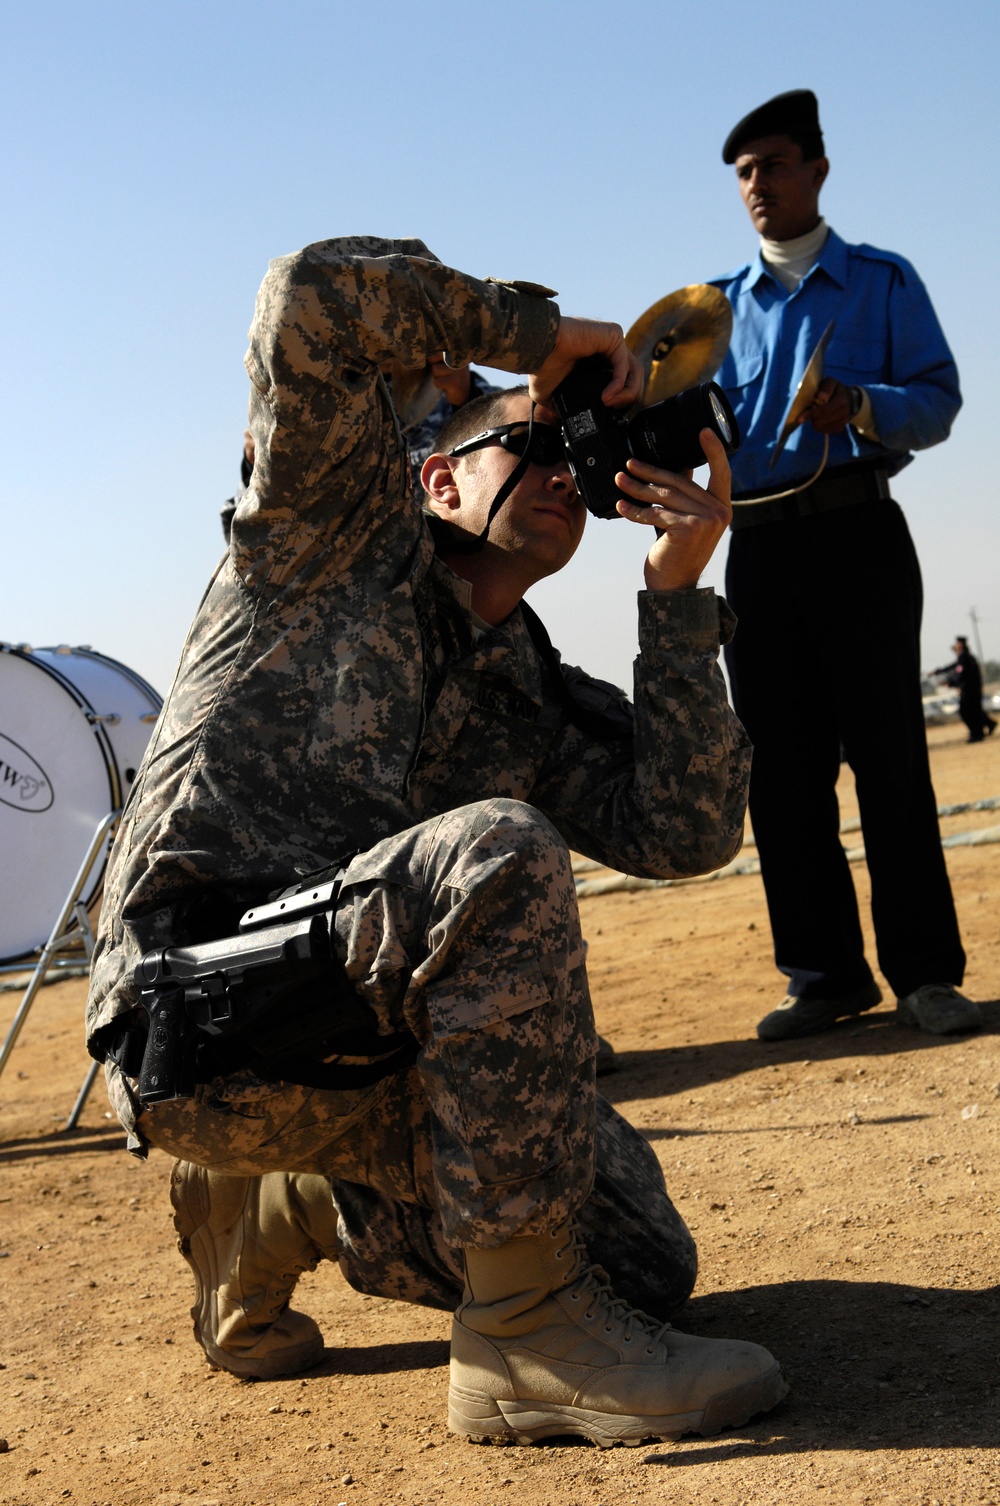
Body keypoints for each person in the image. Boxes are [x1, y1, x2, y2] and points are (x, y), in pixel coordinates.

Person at [87, 235, 786, 1446]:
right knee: (499, 852)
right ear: (434, 481)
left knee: (643, 1259)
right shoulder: (320, 537)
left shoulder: (519, 685)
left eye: (572, 453)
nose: (564, 471)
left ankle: (279, 1201)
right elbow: (306, 293)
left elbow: (684, 832)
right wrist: (533, 340)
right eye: (528, 442)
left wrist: (678, 601)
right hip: (198, 1013)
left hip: (355, 1047)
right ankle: (522, 1340)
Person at [708, 90, 980, 1042]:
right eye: (744, 173)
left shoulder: (885, 281)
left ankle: (925, 975)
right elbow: (688, 429)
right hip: (758, 548)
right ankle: (824, 977)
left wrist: (861, 404)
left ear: (819, 170)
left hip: (861, 536)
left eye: (774, 165)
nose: (757, 186)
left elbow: (939, 400)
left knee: (890, 759)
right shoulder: (709, 313)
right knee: (780, 772)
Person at [933, 637, 997, 743]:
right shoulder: (965, 657)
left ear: (960, 645)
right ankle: (984, 728)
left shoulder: (964, 658)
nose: (954, 647)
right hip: (972, 690)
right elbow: (953, 667)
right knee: (974, 712)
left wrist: (950, 682)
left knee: (967, 712)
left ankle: (976, 733)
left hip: (969, 690)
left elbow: (960, 674)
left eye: (956, 644)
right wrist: (939, 672)